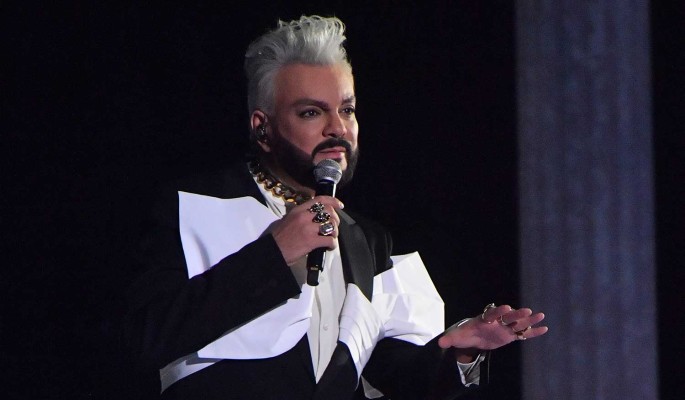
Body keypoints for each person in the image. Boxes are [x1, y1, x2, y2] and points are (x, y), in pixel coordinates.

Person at [124, 15, 547, 400]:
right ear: (263, 129)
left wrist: (459, 352)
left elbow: (392, 378)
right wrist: (273, 254)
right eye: (312, 112)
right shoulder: (192, 204)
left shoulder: (368, 240)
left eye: (347, 110)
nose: (338, 128)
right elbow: (143, 337)